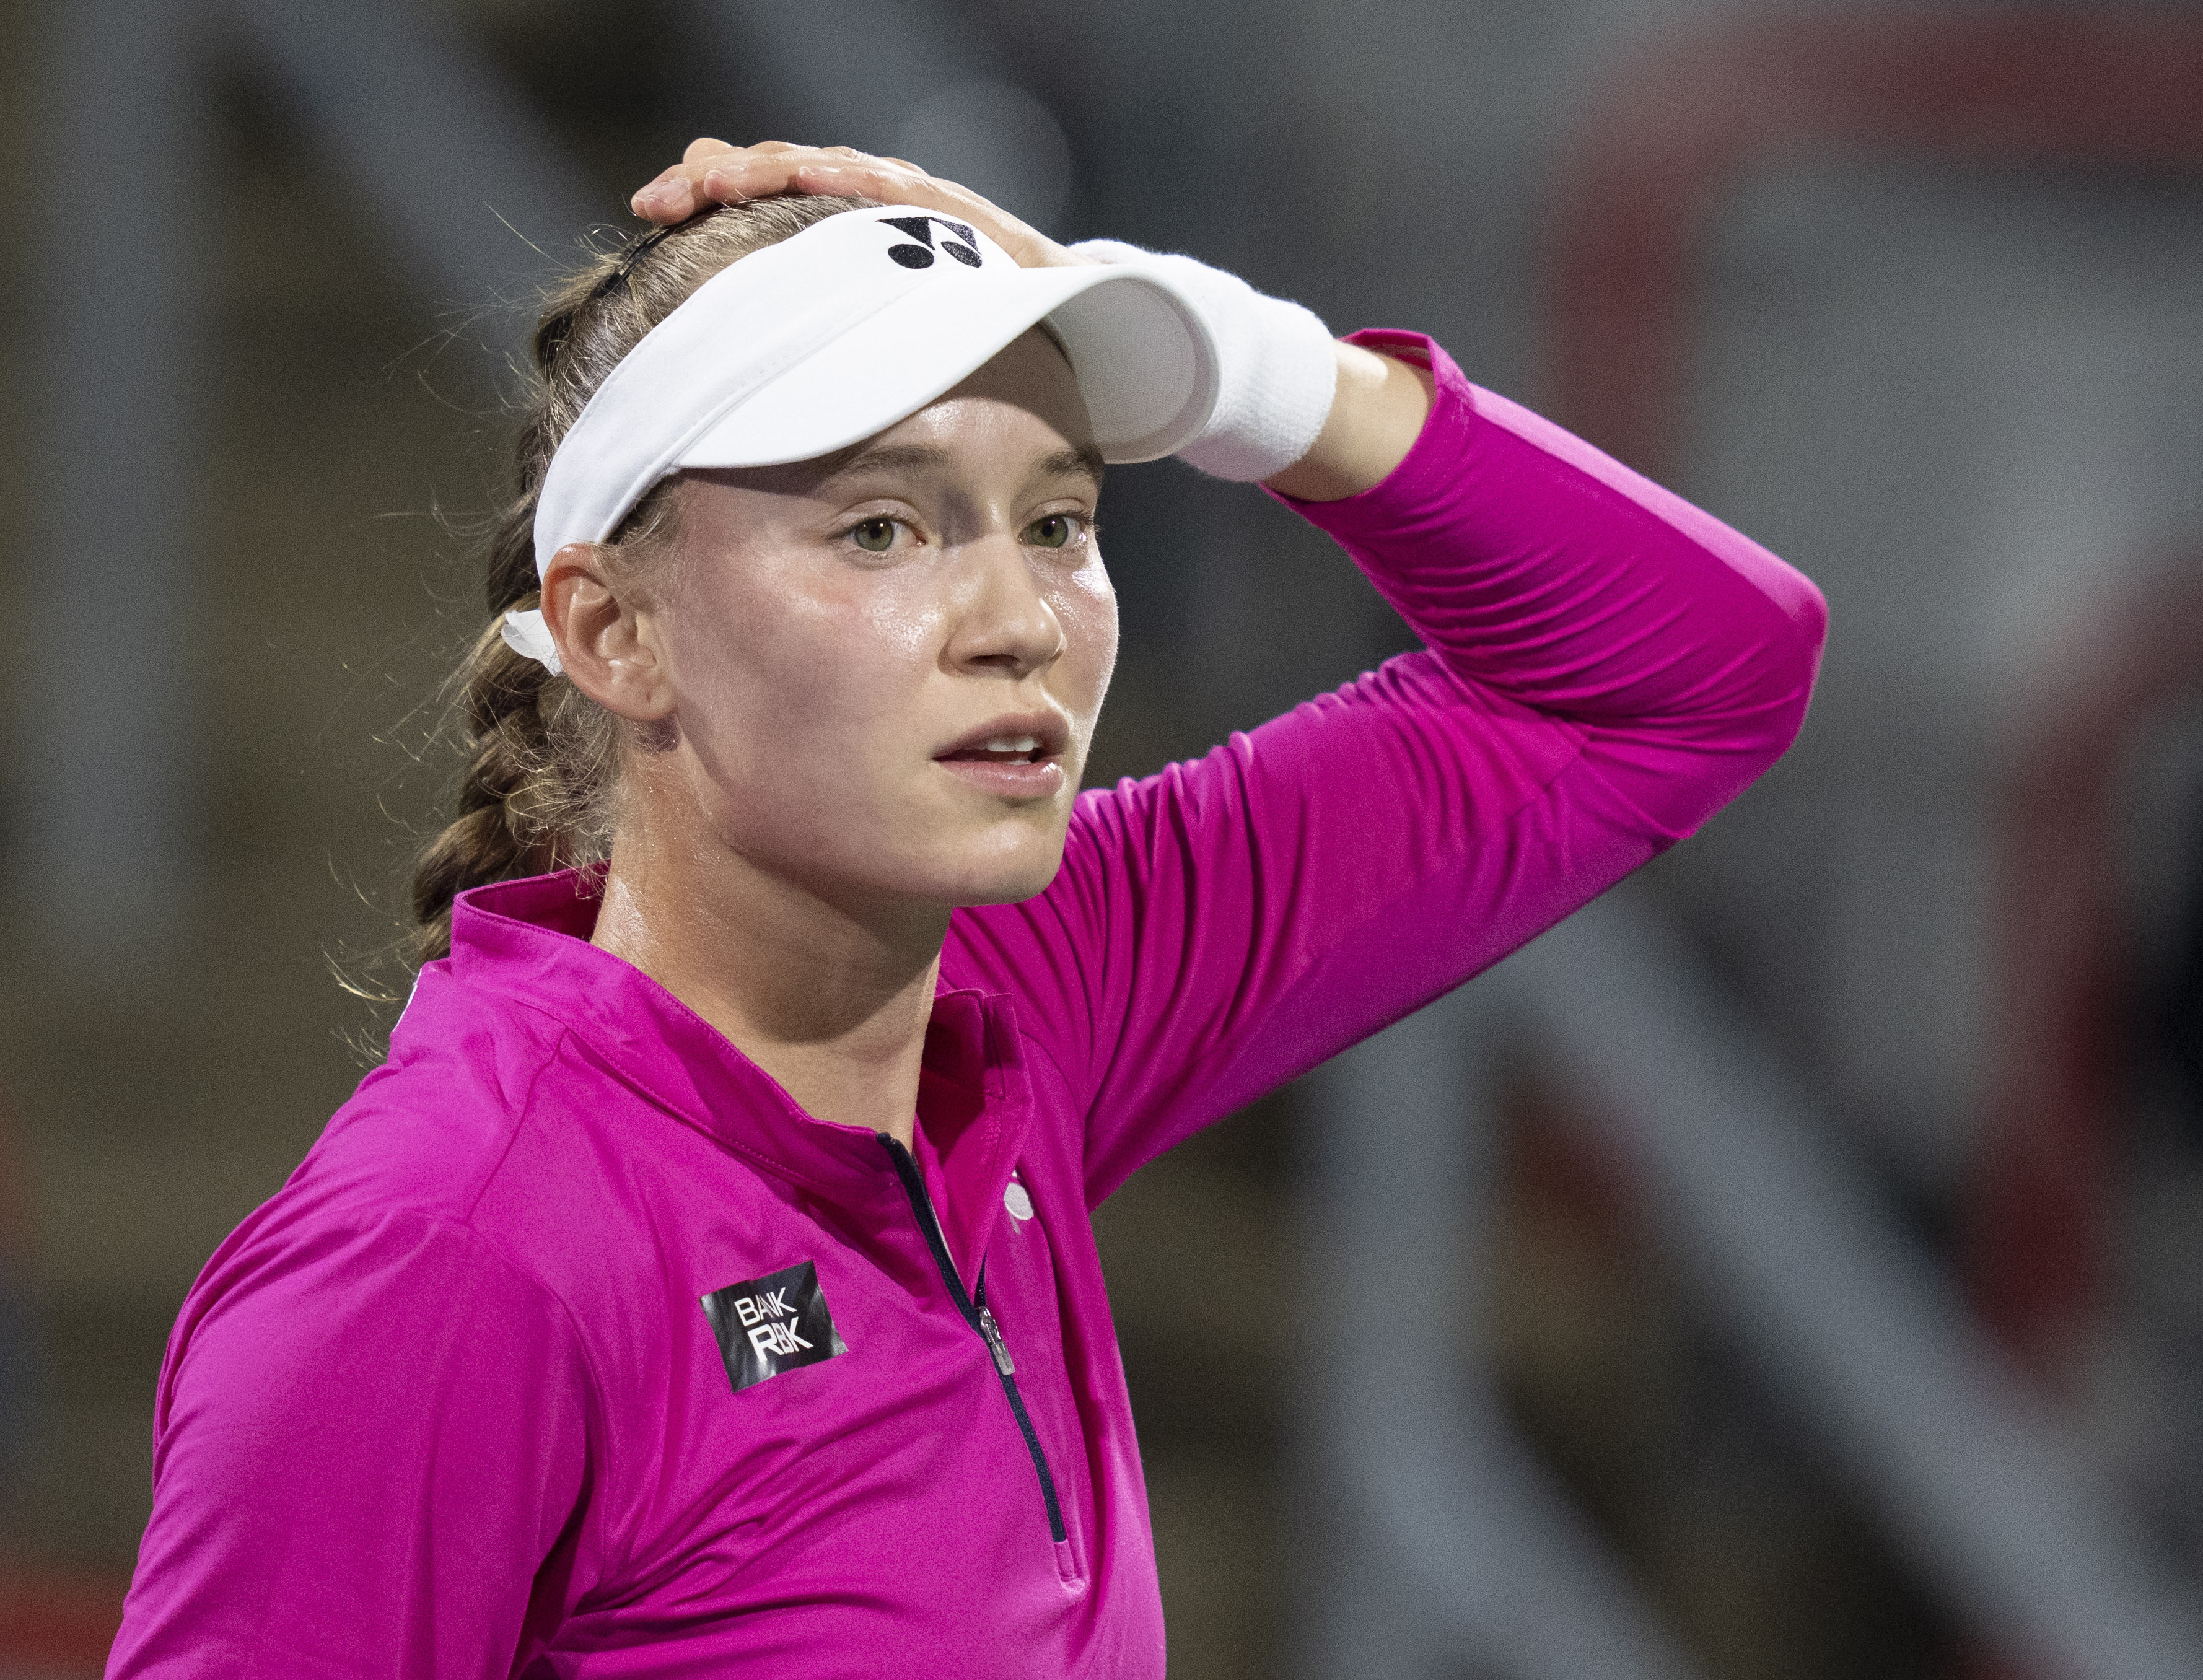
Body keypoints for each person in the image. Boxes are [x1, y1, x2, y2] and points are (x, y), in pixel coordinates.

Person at [106, 140, 1826, 1677]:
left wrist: (1229, 366)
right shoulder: (451, 1253)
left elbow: (1691, 676)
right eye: (879, 529)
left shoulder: (1028, 994)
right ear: (617, 632)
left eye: (1059, 518)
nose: (1018, 619)